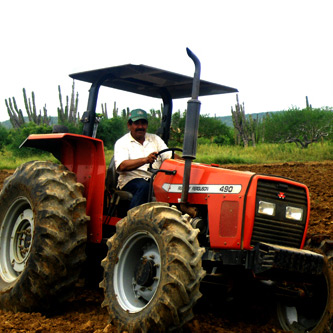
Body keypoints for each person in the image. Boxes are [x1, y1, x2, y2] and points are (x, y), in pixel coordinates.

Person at [114, 109, 173, 209]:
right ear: (129, 125)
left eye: (143, 123)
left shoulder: (155, 139)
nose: (140, 127)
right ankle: (134, 220)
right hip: (131, 180)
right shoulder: (122, 142)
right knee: (144, 186)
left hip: (155, 180)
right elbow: (122, 166)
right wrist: (145, 160)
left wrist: (188, 162)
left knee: (174, 186)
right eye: (137, 123)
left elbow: (170, 155)